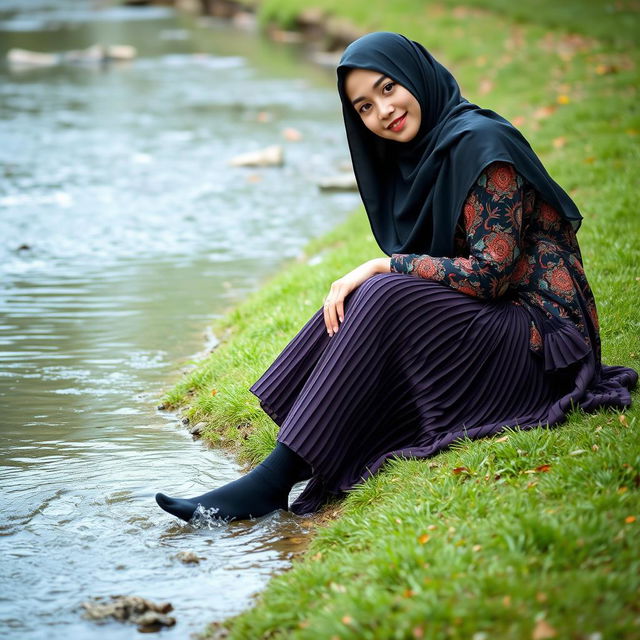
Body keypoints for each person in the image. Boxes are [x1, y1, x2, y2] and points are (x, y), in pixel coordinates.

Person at [155, 31, 637, 523]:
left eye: (388, 89)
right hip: (502, 319)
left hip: (545, 345)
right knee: (374, 294)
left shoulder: (482, 146)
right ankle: (279, 470)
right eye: (364, 107)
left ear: (416, 76)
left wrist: (384, 263)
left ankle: (271, 482)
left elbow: (492, 274)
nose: (382, 112)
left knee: (383, 287)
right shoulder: (425, 153)